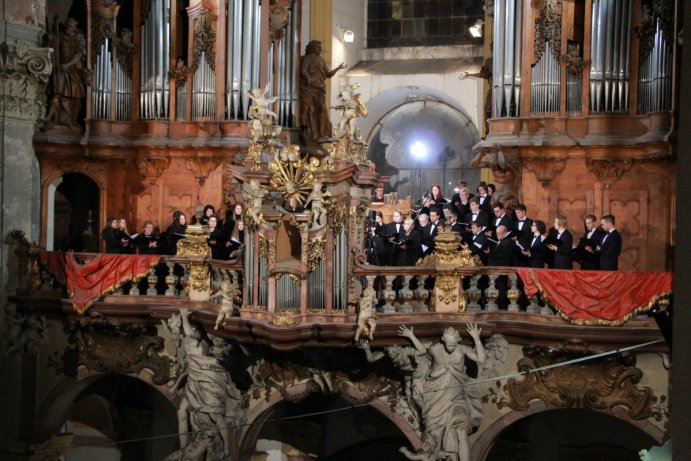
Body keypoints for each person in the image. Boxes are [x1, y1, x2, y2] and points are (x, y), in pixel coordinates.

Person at [299, 40, 346, 144]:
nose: (320, 49)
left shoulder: (321, 59)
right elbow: (303, 70)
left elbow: (328, 74)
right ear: (313, 47)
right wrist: (308, 79)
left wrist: (338, 68)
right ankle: (312, 133)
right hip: (310, 89)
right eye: (318, 47)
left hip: (320, 89)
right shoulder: (308, 58)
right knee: (311, 110)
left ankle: (322, 133)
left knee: (323, 110)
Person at [45, 18, 90, 128]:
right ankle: (50, 117)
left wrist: (68, 64)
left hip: (73, 70)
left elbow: (79, 54)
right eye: (67, 26)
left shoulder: (79, 38)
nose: (68, 28)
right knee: (56, 94)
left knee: (76, 98)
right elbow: (51, 47)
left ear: (74, 28)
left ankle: (72, 120)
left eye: (70, 26)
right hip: (61, 68)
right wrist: (50, 39)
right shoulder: (59, 36)